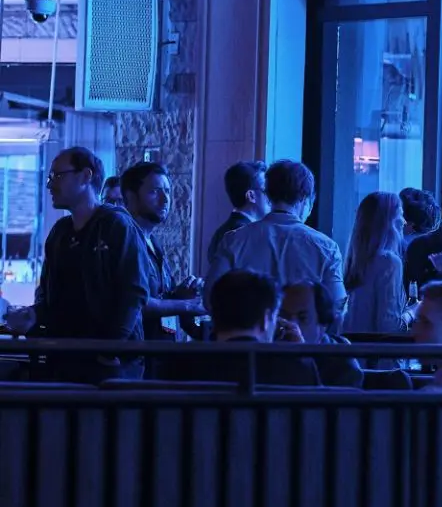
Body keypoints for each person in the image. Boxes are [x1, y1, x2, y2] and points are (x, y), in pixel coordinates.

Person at [24, 147, 155, 382]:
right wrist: (32, 315)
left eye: (57, 176)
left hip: (110, 364)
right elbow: (50, 294)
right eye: (50, 177)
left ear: (86, 176)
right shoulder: (60, 232)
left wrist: (111, 350)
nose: (50, 185)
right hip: (66, 357)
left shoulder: (116, 225)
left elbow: (134, 291)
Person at [207, 160, 348, 322]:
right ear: (305, 199)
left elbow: (210, 298)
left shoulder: (233, 240)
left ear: (268, 194)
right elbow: (337, 308)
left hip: (248, 343)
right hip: (303, 345)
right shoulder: (327, 248)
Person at [160, 270, 320, 387]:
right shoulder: (297, 368)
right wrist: (301, 355)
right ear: (266, 319)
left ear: (214, 315)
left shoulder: (180, 364)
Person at [120, 161, 206, 344]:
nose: (165, 199)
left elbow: (158, 297)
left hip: (161, 350)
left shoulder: (154, 242)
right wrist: (188, 305)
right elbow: (135, 302)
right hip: (138, 353)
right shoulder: (125, 241)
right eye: (155, 191)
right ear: (131, 197)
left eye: (167, 191)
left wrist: (181, 294)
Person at [342, 191, 409, 336]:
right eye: (400, 214)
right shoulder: (389, 262)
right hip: (377, 355)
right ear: (387, 221)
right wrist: (412, 313)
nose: (404, 221)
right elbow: (389, 327)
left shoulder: (355, 262)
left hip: (353, 353)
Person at [280, 281, 362, 387]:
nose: (291, 325)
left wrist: (303, 363)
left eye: (303, 318)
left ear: (323, 325)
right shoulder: (268, 352)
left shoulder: (342, 364)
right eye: (283, 316)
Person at [206, 160, 269, 263]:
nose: (271, 196)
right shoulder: (245, 234)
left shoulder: (222, 231)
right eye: (266, 191)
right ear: (251, 196)